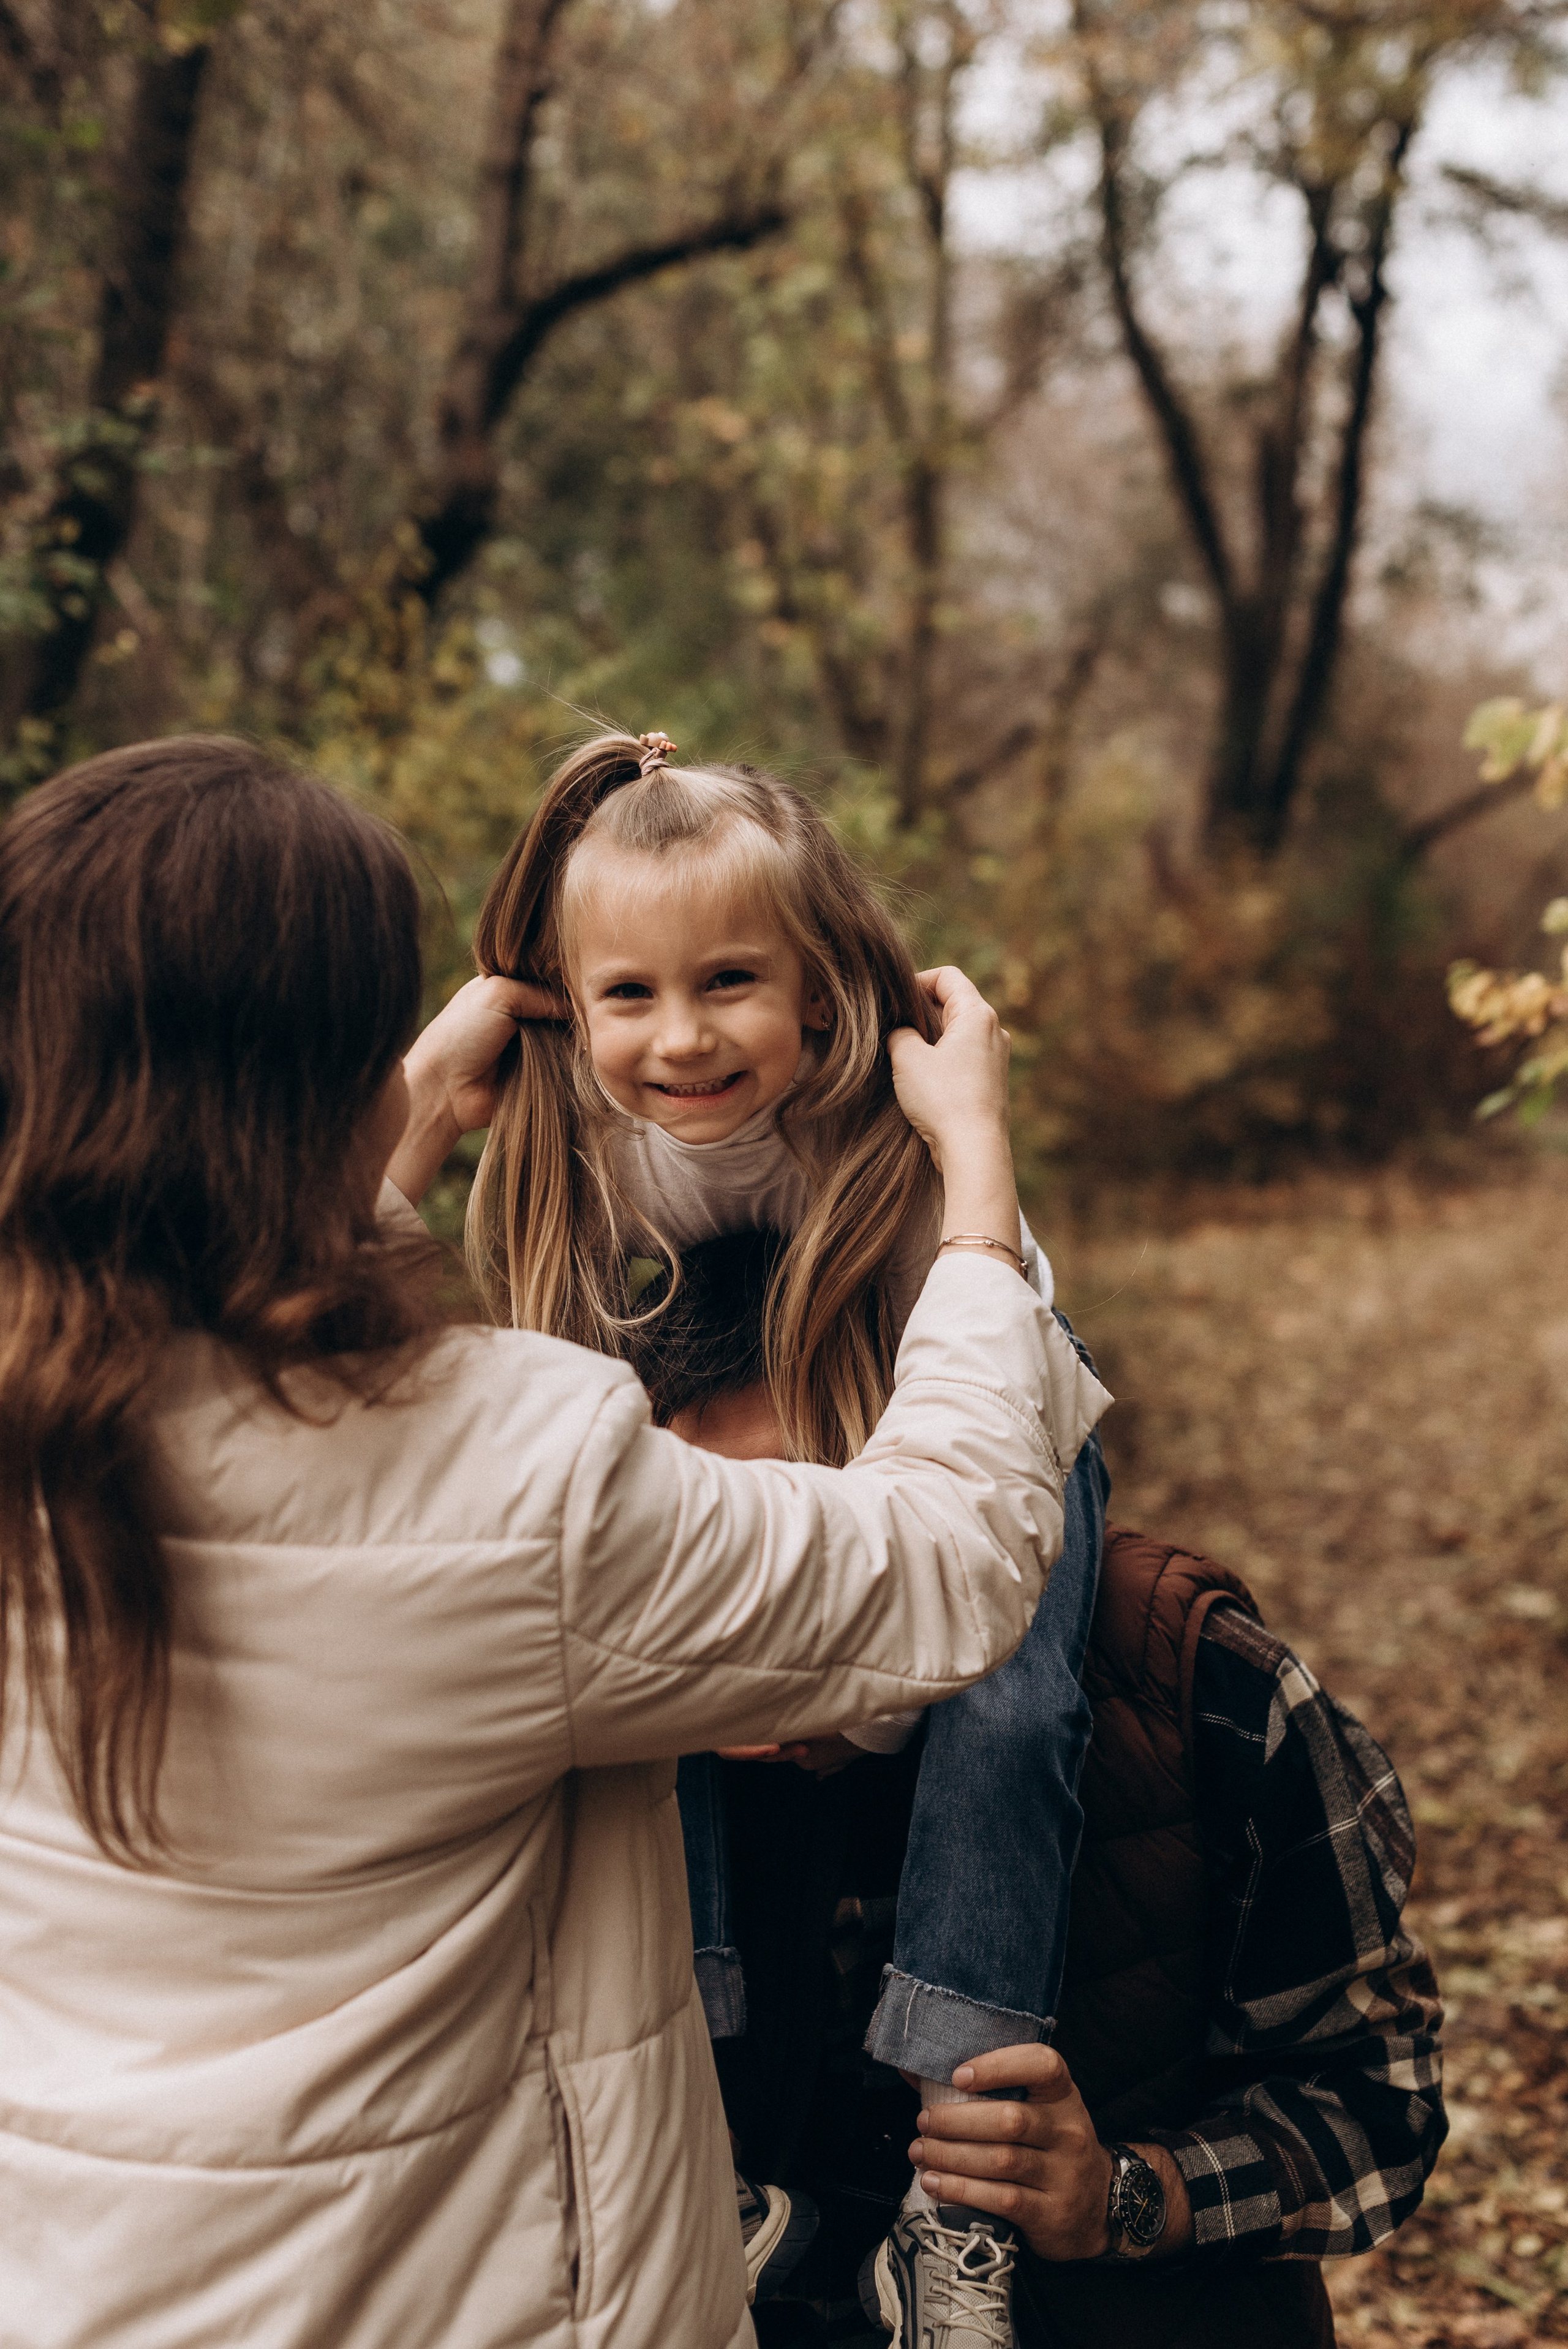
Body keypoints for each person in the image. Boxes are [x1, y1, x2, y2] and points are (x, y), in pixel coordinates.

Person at [0, 736, 1087, 2349]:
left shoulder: (46, 1409)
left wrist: (412, 1110)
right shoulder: (510, 1482)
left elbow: (209, 1296)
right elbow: (946, 1559)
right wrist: (978, 1168)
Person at [465, 730, 1111, 2344]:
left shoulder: (891, 1141)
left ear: (819, 986)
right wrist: (423, 1097)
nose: (680, 1040)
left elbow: (948, 1552)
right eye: (627, 993)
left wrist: (831, 1695)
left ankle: (957, 2176)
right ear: (567, 998)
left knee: (1012, 1702)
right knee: (631, 1666)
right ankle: (708, 2105)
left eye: (730, 980)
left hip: (988, 1432)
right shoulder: (575, 1163)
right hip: (816, 1488)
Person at [656, 1254, 1447, 2349]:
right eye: (700, 1556)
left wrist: (1125, 2198)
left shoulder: (1193, 1684)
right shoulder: (590, 1739)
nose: (744, 1627)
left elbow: (1379, 2098)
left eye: (805, 1550)